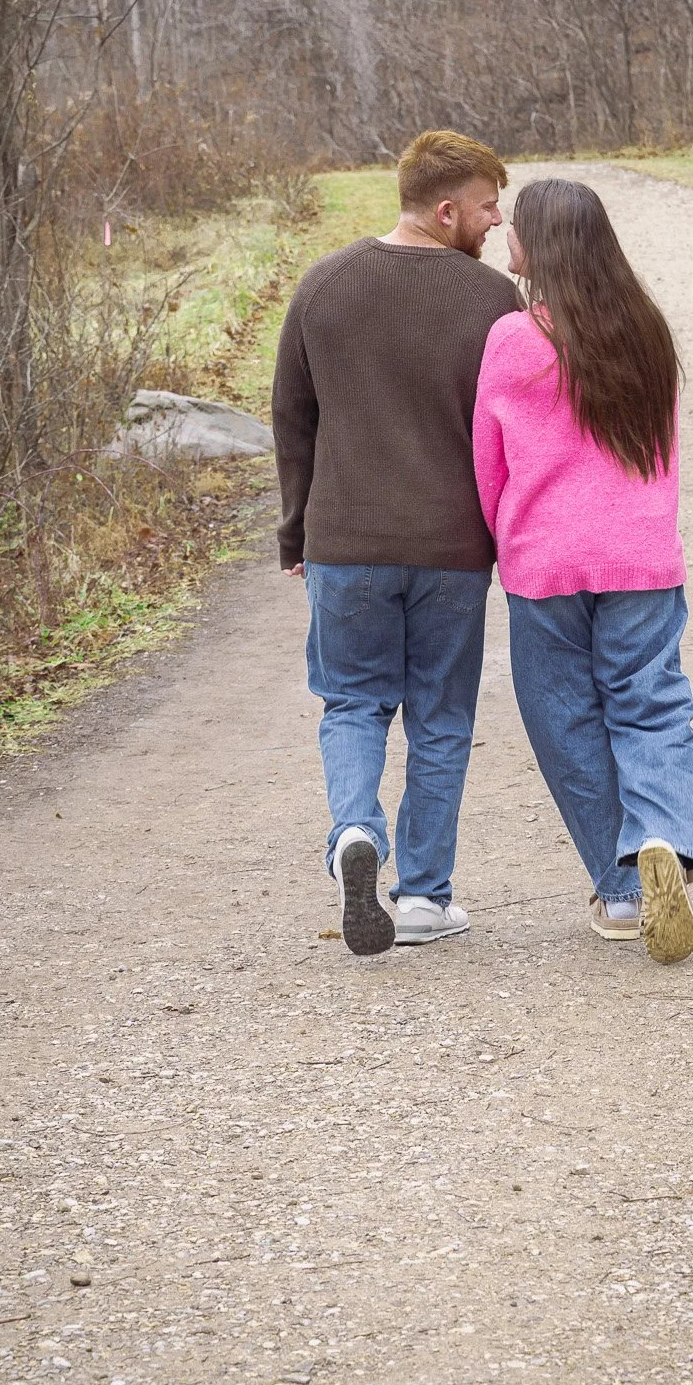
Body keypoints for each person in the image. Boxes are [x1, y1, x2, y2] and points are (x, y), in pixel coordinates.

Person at [272, 130, 521, 956]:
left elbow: (292, 419)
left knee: (352, 702)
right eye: (487, 205)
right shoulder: (491, 301)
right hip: (452, 547)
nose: (495, 222)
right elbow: (511, 425)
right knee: (440, 719)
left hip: (345, 543)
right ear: (446, 208)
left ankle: (353, 831)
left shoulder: (325, 285)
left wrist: (295, 530)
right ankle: (422, 897)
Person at [472, 177, 693, 965]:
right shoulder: (645, 330)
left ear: (539, 247)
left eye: (515, 226)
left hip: (544, 564)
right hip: (640, 558)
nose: (504, 234)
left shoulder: (514, 339)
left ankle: (618, 891)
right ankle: (661, 840)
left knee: (565, 718)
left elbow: (488, 463)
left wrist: (495, 541)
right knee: (651, 708)